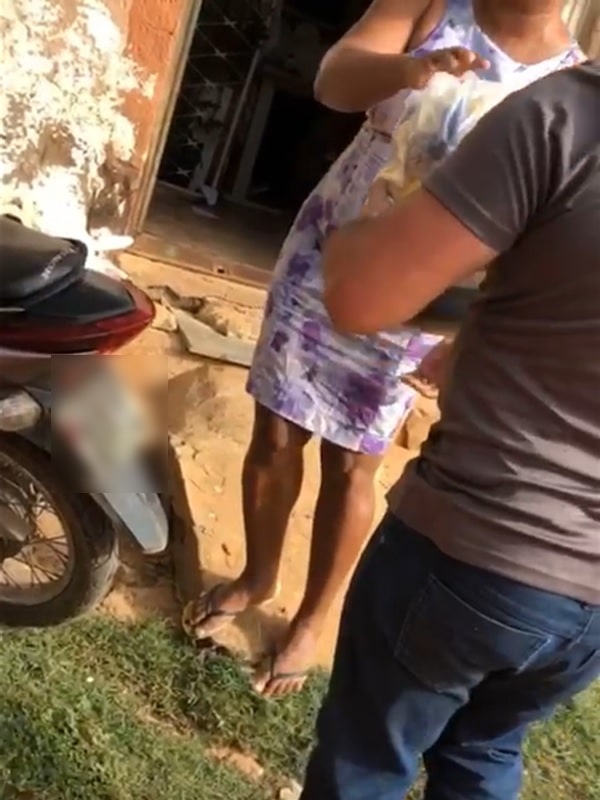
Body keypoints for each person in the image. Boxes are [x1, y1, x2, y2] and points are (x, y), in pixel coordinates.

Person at [183, 0, 583, 697]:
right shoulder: (432, 7)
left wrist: (464, 338)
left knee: (351, 462)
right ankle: (258, 575)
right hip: (331, 245)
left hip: (428, 296)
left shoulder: (571, 86)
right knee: (275, 430)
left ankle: (313, 619)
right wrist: (409, 69)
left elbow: (539, 242)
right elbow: (333, 80)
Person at [300, 61, 600, 800]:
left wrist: (371, 215)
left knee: (365, 763)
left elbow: (360, 296)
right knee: (485, 750)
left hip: (477, 544)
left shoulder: (565, 118)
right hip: (586, 606)